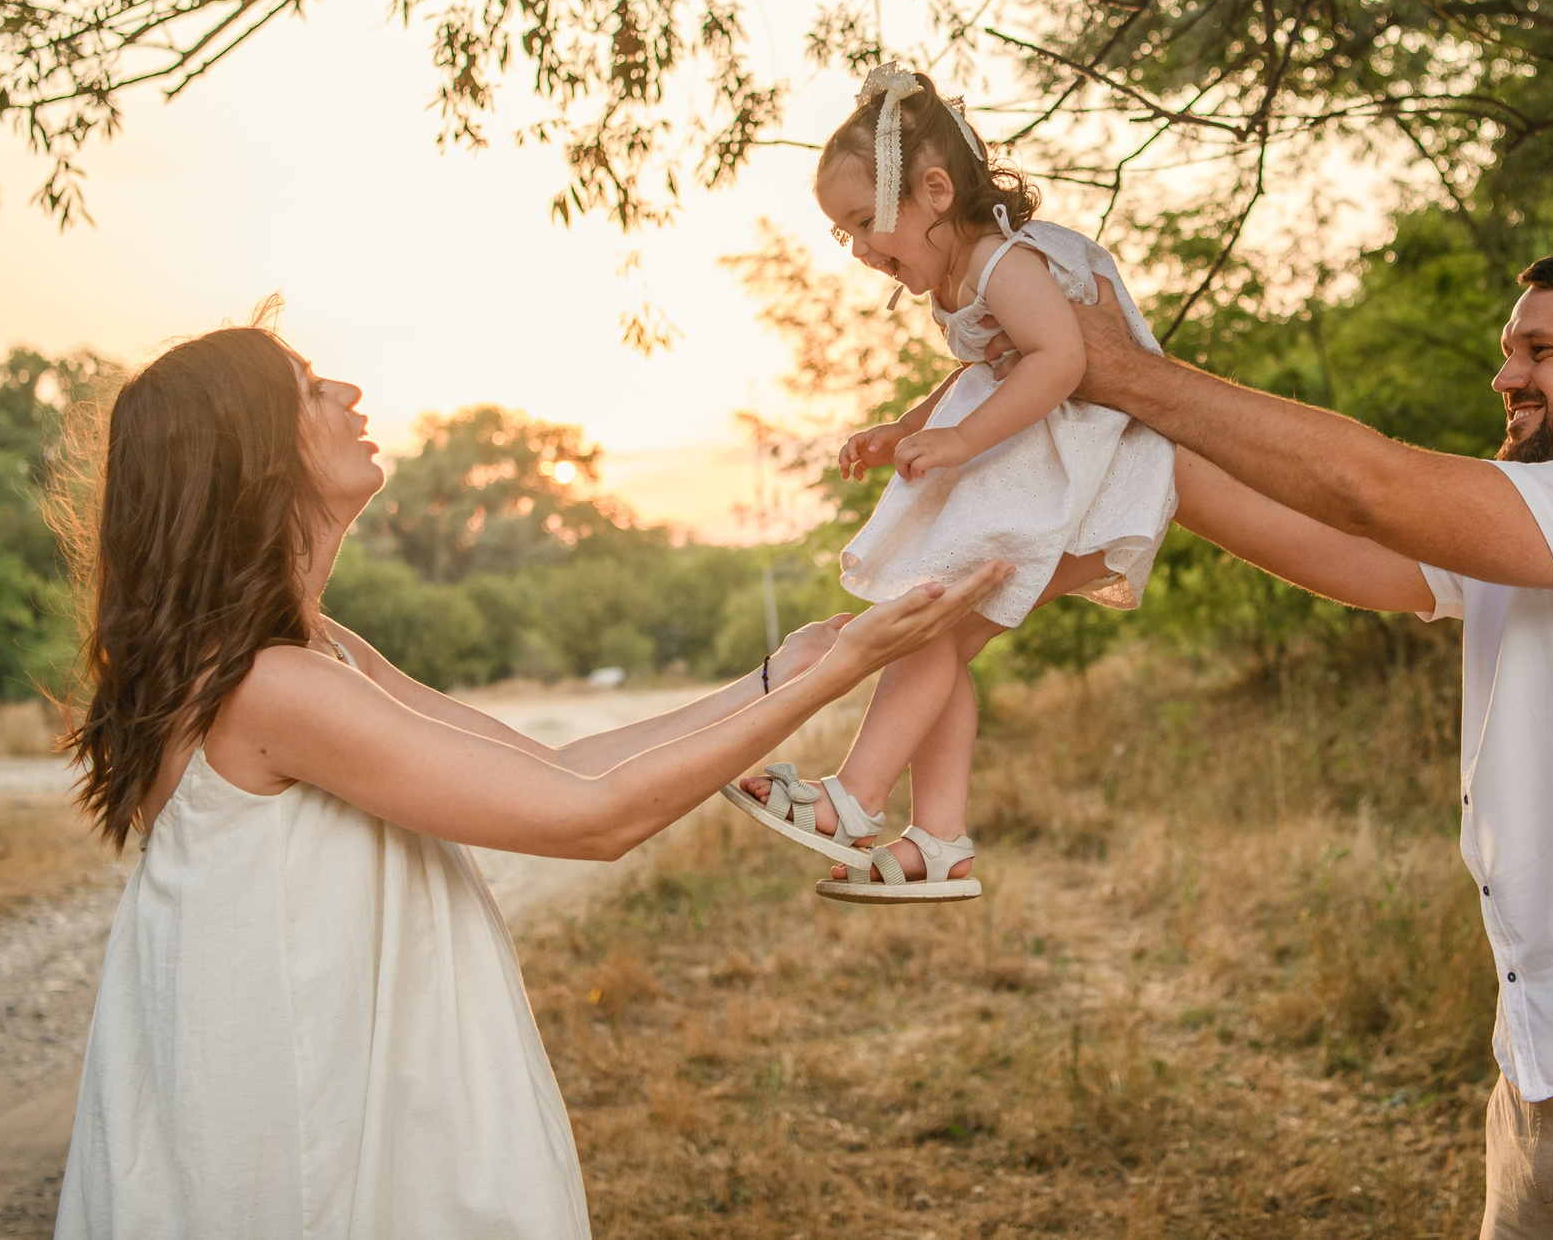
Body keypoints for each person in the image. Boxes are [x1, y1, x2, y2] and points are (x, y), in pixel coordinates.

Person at [50, 319, 1008, 1240]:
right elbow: (591, 819)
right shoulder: (270, 686)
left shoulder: (313, 651)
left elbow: (553, 765)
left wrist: (779, 675)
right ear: (253, 457)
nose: (346, 391)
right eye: (308, 388)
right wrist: (839, 679)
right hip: (292, 1130)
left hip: (334, 1100)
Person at [1053, 247, 1553, 1240]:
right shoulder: (1538, 539)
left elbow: (1370, 490)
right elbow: (1338, 547)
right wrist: (1119, 433)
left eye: (1540, 350)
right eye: (1507, 352)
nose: (1506, 378)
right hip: (1541, 1086)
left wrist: (1120, 369)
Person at [725, 64, 1177, 902]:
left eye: (866, 222)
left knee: (927, 623)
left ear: (935, 190)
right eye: (844, 234)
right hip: (1064, 473)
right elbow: (981, 365)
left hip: (1099, 474)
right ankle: (937, 839)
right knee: (940, 638)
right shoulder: (967, 274)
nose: (860, 250)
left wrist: (964, 438)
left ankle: (853, 800)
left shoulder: (1009, 259)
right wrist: (906, 425)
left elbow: (1062, 358)